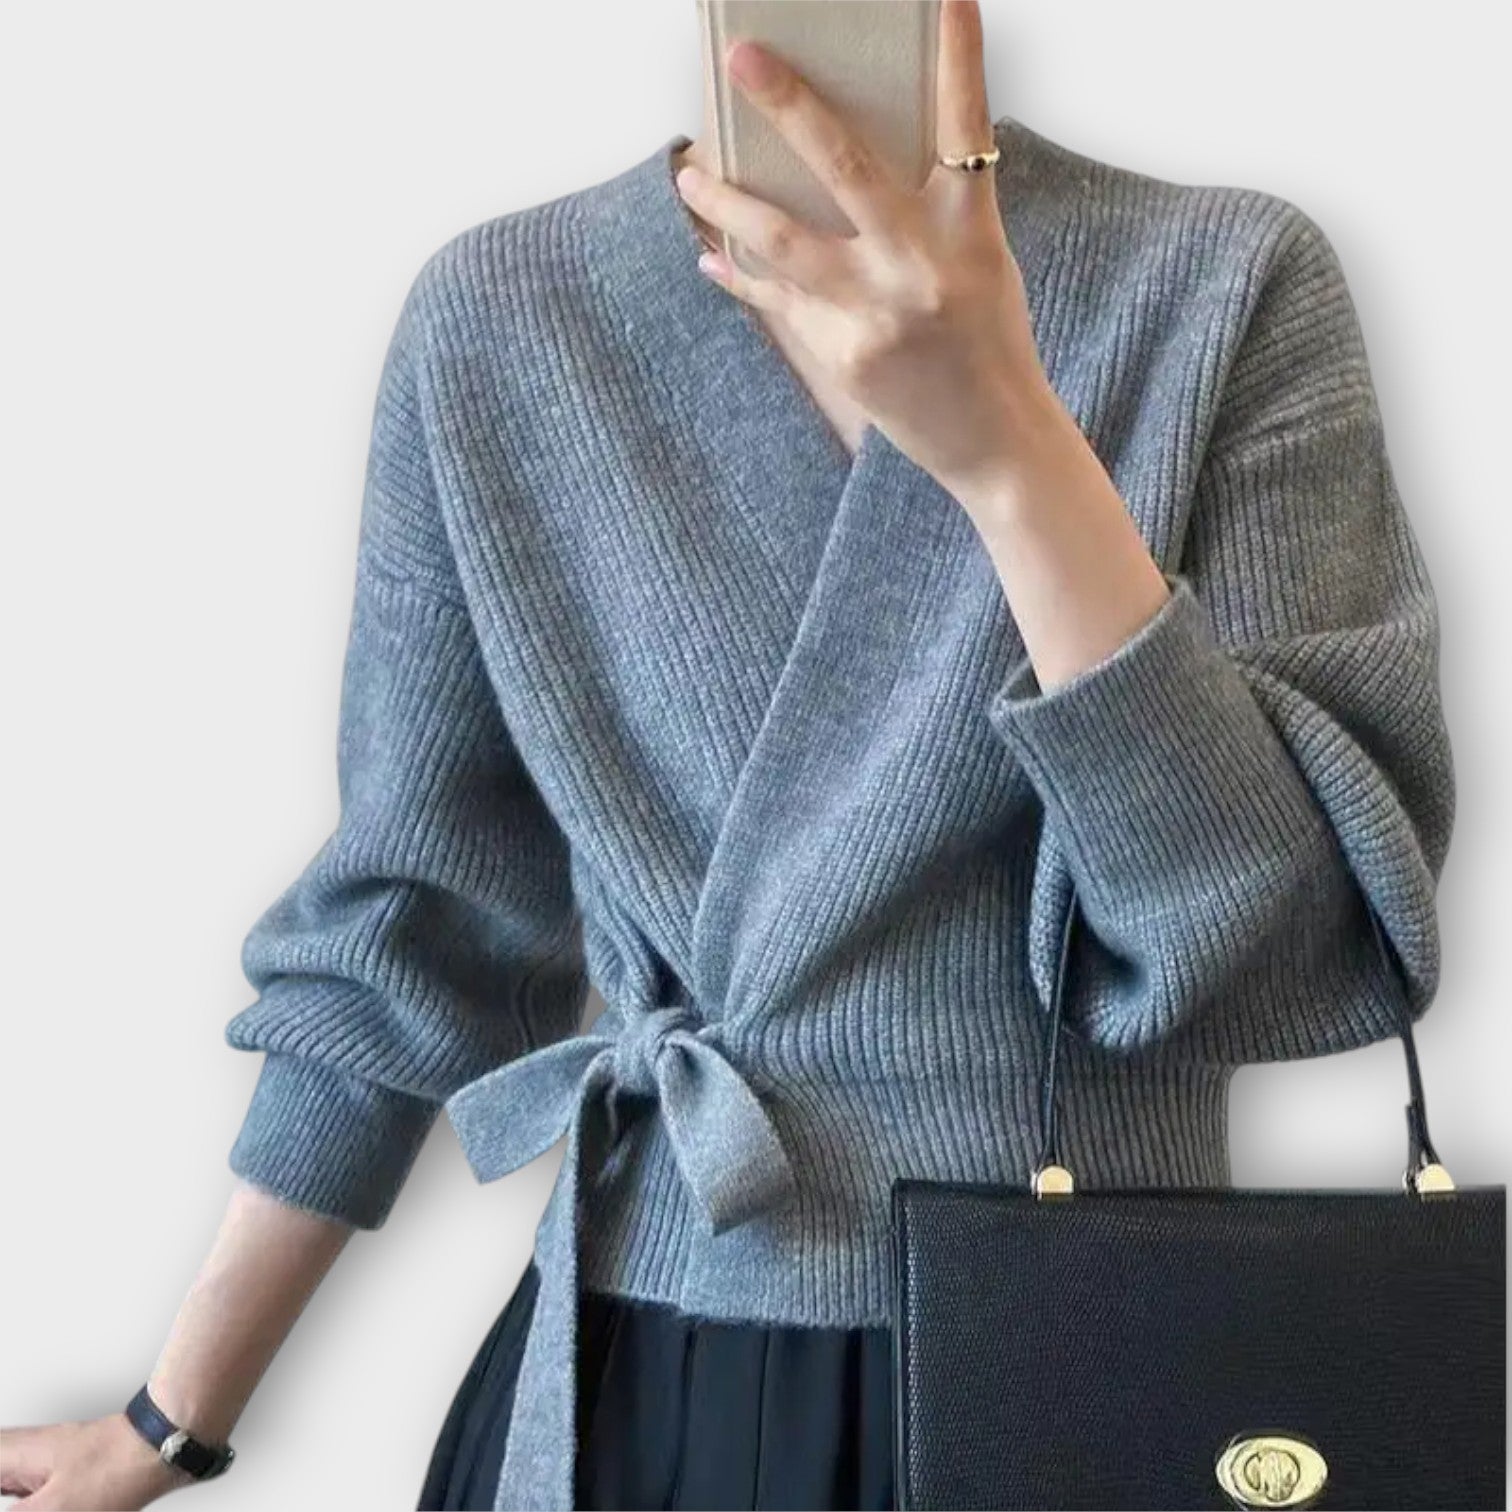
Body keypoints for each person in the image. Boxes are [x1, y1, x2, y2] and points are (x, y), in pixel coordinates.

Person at [0, 2, 1457, 1508]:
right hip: (639, 1384)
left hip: (1081, 1372)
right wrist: (169, 1421)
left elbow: (1296, 958)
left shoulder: (1221, 282)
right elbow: (414, 931)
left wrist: (1014, 450)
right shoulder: (503, 318)